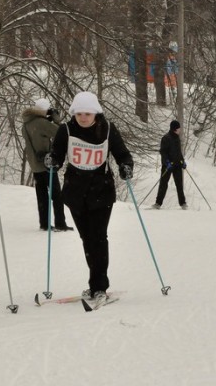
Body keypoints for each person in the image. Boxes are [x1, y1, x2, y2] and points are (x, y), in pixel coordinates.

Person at [46, 91, 133, 304]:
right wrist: (52, 161)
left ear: (96, 113)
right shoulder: (66, 130)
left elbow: (123, 154)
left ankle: (99, 286)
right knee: (87, 239)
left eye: (87, 113)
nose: (83, 118)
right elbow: (56, 153)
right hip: (75, 192)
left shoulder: (108, 129)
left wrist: (126, 166)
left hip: (101, 192)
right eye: (79, 114)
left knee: (99, 238)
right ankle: (94, 285)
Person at [21, 98, 73, 232]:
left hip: (34, 164)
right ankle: (60, 223)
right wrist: (56, 120)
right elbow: (61, 133)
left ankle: (44, 223)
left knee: (42, 195)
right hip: (46, 163)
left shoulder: (26, 123)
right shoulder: (41, 123)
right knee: (56, 195)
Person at [154, 120, 187, 209]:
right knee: (163, 184)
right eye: (179, 128)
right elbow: (163, 152)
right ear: (175, 129)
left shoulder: (177, 138)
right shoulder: (166, 138)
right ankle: (158, 203)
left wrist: (182, 161)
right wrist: (167, 162)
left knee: (179, 184)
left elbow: (179, 152)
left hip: (177, 165)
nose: (180, 129)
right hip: (168, 166)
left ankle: (183, 203)